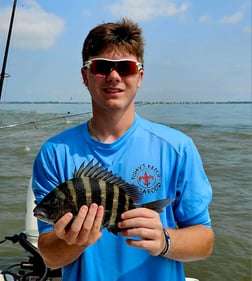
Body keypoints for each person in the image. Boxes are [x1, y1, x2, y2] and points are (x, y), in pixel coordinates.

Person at [32, 18, 214, 281]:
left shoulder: (177, 148)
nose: (113, 76)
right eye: (101, 66)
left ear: (139, 77)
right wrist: (77, 240)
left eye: (125, 67)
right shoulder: (54, 153)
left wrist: (164, 239)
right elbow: (49, 255)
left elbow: (205, 241)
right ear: (85, 76)